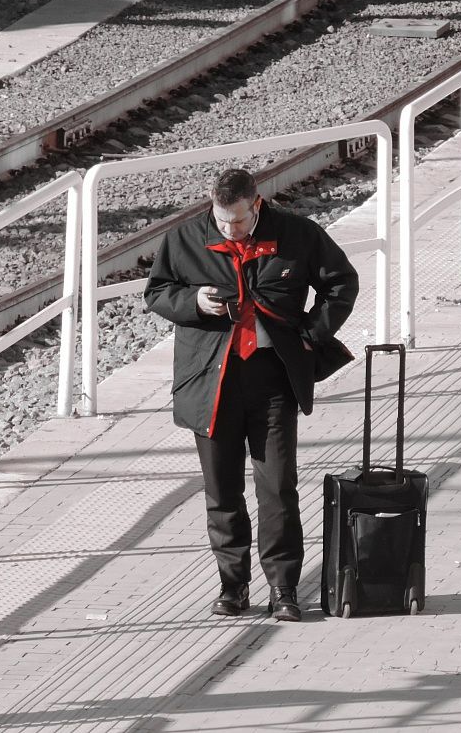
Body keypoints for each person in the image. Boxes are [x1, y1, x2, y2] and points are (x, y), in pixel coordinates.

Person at [144, 168, 359, 622]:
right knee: (222, 490)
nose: (230, 229)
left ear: (256, 205)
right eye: (222, 221)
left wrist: (311, 334)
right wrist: (193, 303)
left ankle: (283, 588)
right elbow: (158, 291)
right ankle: (232, 586)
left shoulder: (297, 234)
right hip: (210, 381)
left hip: (272, 379)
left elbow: (341, 282)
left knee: (277, 487)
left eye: (239, 220)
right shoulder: (184, 239)